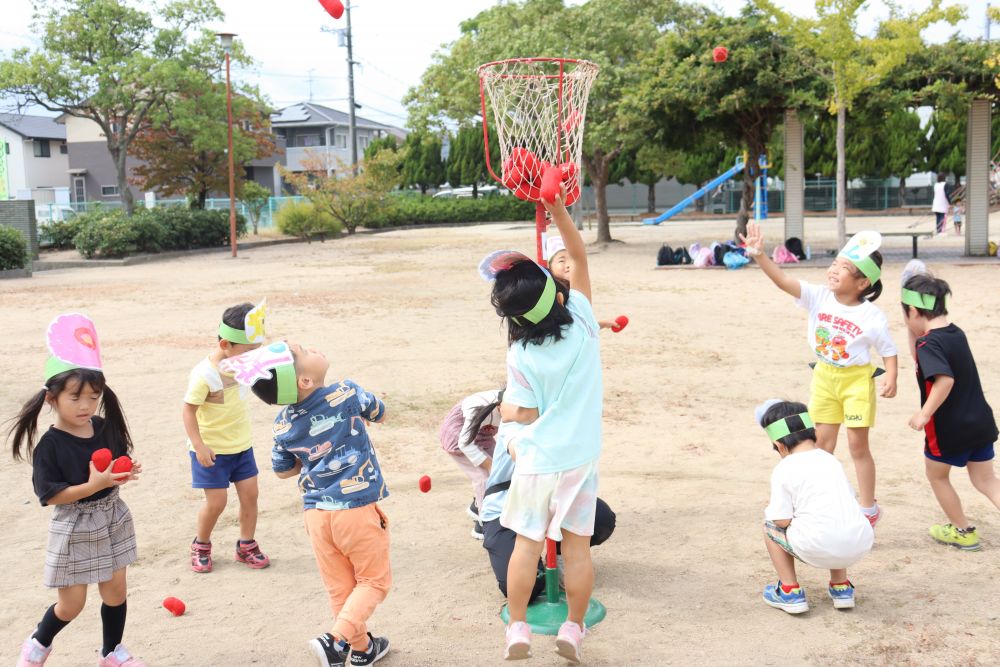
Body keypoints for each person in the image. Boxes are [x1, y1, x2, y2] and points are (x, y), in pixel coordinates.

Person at [481, 183, 602, 663]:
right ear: (556, 291)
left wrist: (508, 412)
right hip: (579, 459)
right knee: (577, 550)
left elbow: (524, 413)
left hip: (535, 460)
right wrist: (556, 209)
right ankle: (572, 628)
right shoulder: (584, 315)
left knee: (526, 547)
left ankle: (517, 629)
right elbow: (578, 254)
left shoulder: (520, 351)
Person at [232, 341, 391, 667]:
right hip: (356, 509)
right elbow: (380, 412)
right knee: (373, 582)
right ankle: (335, 641)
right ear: (304, 380)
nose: (313, 348)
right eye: (304, 351)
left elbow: (283, 470)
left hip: (317, 515)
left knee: (340, 589)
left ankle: (361, 649)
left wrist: (313, 453)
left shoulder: (282, 424)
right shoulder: (346, 393)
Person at [7, 314, 145, 667]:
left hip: (112, 516)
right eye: (75, 398)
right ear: (52, 398)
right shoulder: (50, 446)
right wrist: (92, 486)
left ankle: (111, 653)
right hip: (75, 525)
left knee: (115, 592)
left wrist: (120, 474)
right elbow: (51, 496)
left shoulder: (102, 426)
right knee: (72, 604)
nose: (85, 406)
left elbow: (114, 463)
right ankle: (38, 644)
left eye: (93, 397)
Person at [741, 224, 898, 526]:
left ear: (863, 282)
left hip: (855, 382)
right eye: (835, 263)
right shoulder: (818, 296)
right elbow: (783, 280)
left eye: (844, 267)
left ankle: (868, 508)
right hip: (825, 378)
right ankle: (812, 500)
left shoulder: (872, 317)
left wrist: (891, 377)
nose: (834, 270)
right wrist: (759, 255)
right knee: (821, 445)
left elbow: (888, 350)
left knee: (857, 446)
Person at [901, 272, 1000, 551]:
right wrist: (911, 326)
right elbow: (920, 358)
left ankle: (963, 530)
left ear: (912, 310)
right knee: (986, 480)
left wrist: (924, 413)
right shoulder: (956, 333)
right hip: (979, 422)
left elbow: (944, 379)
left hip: (948, 429)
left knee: (937, 476)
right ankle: (962, 528)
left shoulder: (928, 343)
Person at [756, 400, 874, 615]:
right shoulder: (830, 461)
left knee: (769, 524)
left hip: (818, 546)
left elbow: (781, 520)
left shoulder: (785, 468)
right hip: (859, 543)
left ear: (780, 446)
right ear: (814, 435)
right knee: (834, 516)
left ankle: (790, 591)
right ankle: (841, 587)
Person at [481, 422, 616, 601]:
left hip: (550, 499)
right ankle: (531, 561)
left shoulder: (566, 416)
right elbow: (526, 455)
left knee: (601, 519)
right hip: (505, 506)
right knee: (526, 589)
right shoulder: (515, 419)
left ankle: (560, 554)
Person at [183, 301, 270, 573]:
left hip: (242, 445)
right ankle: (201, 544)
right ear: (225, 345)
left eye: (256, 351)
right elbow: (188, 411)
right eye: (247, 352)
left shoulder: (245, 364)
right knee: (217, 502)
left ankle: (246, 545)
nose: (253, 357)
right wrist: (199, 446)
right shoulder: (204, 375)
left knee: (250, 495)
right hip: (212, 450)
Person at [438, 388, 501, 540]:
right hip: (459, 435)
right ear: (500, 406)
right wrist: (488, 465)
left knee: (502, 467)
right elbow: (465, 443)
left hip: (482, 434)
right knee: (484, 477)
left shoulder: (522, 407)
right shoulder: (479, 407)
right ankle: (485, 524)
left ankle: (476, 506)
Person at [546, 236, 620, 331]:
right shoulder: (548, 293)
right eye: (561, 261)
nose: (568, 265)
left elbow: (579, 325)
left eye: (571, 259)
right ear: (549, 266)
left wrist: (603, 324)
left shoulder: (577, 291)